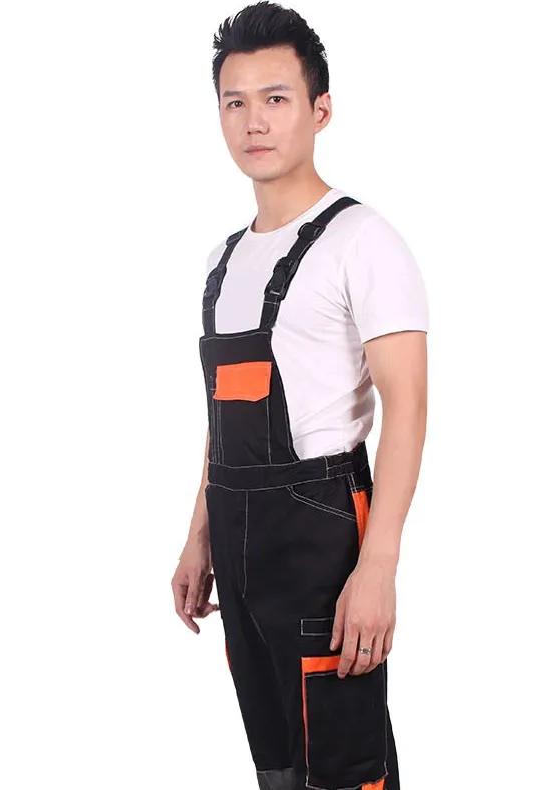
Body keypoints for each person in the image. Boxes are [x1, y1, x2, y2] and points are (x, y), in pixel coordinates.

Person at [171, 3, 428, 788]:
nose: (254, 121)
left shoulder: (364, 241)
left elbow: (408, 407)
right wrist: (199, 535)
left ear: (320, 109)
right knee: (279, 767)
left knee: (346, 771)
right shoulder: (222, 263)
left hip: (323, 537)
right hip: (239, 543)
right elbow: (222, 415)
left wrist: (378, 566)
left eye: (276, 98)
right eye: (235, 102)